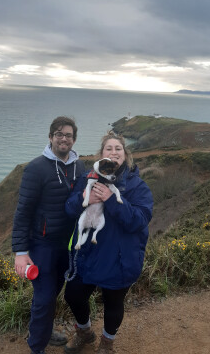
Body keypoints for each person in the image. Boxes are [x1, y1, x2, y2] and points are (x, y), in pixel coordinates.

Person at [64, 132, 153, 353]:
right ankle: (84, 333)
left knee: (113, 303)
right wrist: (84, 200)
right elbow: (69, 208)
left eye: (118, 149)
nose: (113, 153)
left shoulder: (137, 187)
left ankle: (106, 343)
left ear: (125, 154)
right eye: (108, 149)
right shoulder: (88, 178)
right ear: (101, 155)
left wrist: (111, 200)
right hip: (87, 253)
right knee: (73, 296)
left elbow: (139, 221)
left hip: (119, 256)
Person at [12, 116, 85, 354]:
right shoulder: (35, 168)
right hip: (42, 244)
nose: (64, 138)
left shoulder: (79, 167)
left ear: (74, 140)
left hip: (68, 245)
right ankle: (36, 347)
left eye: (69, 135)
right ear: (50, 137)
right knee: (44, 297)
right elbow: (23, 212)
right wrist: (21, 252)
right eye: (59, 134)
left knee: (53, 293)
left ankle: (42, 329)